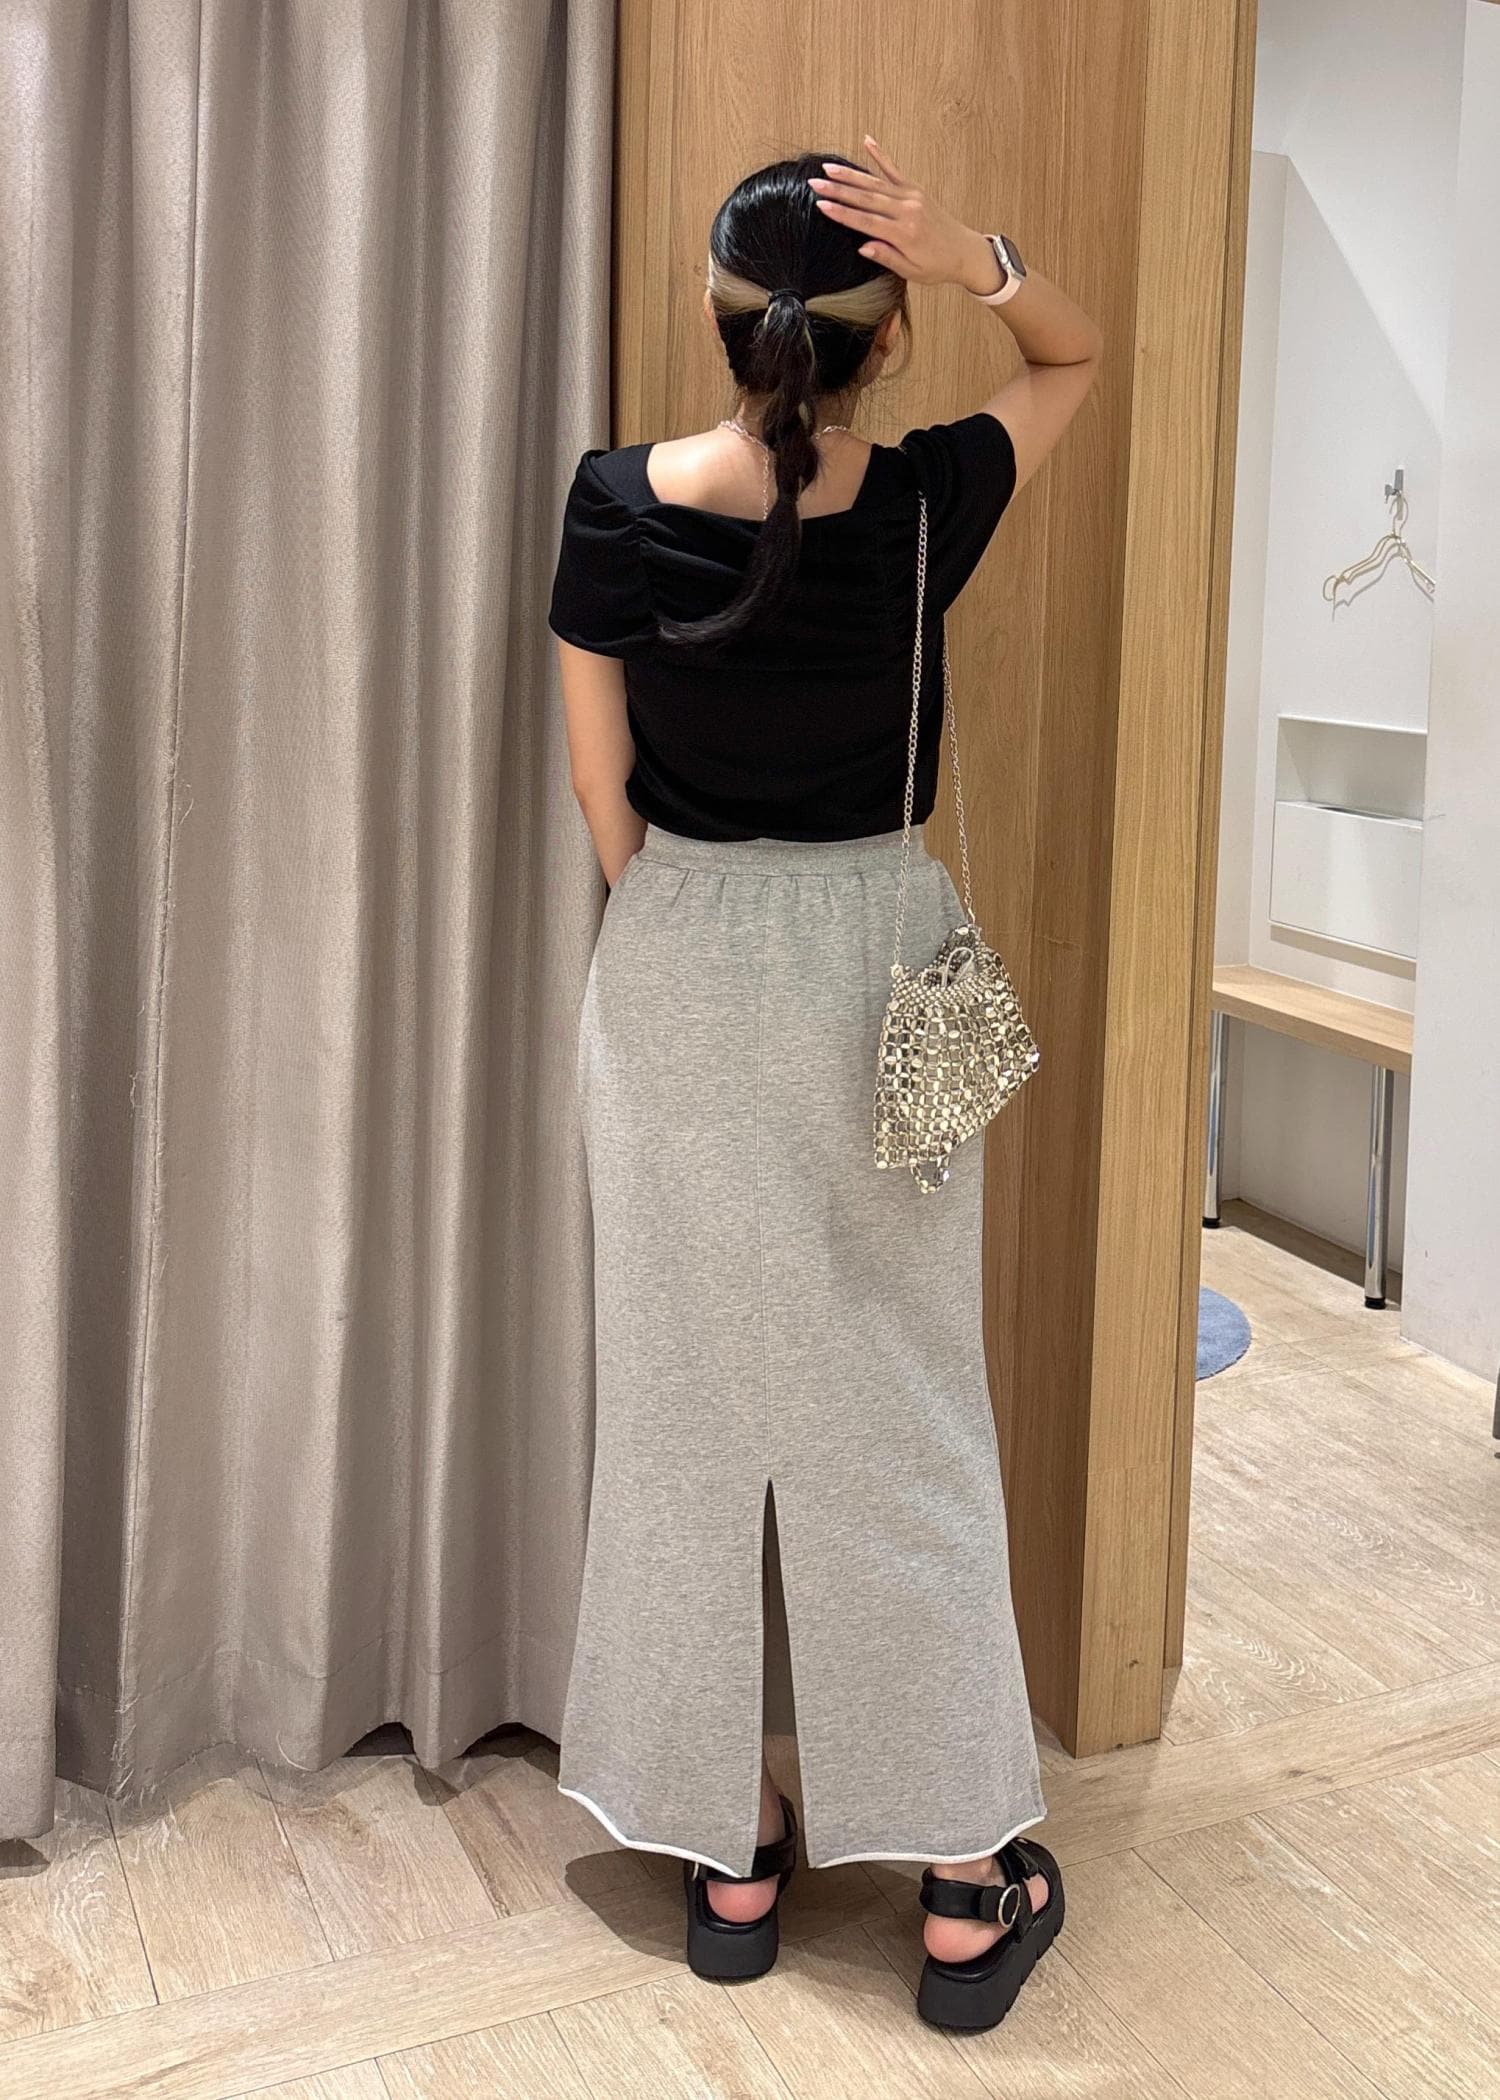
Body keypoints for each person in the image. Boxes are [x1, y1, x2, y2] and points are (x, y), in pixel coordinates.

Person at [547, 134, 1101, 2033]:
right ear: (884, 339)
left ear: (723, 324)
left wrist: (706, 926)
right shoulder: (932, 498)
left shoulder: (612, 499)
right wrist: (976, 251)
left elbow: (604, 794)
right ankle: (958, 1887)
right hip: (894, 951)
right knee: (911, 1410)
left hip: (677, 961)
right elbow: (1074, 357)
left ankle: (727, 1856)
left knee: (684, 1409)